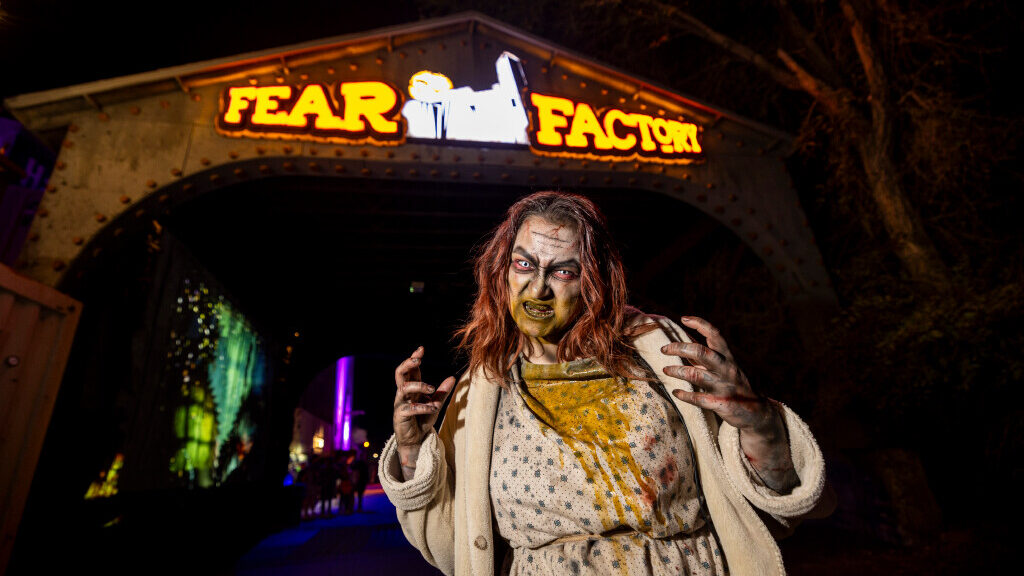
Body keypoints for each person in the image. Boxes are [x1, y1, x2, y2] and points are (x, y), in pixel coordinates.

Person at [379, 191, 833, 576]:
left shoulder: (662, 354)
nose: (537, 290)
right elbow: (448, 549)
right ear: (501, 271)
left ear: (595, 280)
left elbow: (776, 506)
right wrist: (412, 451)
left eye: (562, 271)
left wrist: (759, 425)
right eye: (523, 264)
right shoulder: (481, 391)